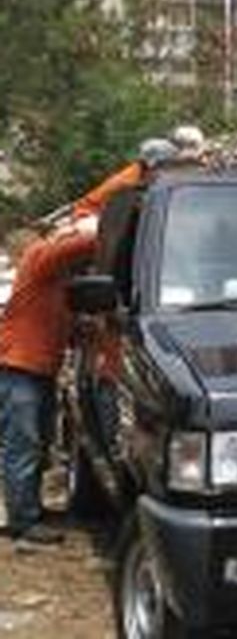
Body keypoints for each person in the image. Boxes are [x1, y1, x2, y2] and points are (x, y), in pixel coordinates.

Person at [0, 224, 97, 550]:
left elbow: (64, 328)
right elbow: (73, 247)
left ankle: (29, 511)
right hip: (19, 369)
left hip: (37, 371)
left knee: (37, 444)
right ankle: (23, 523)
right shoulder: (38, 257)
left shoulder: (56, 285)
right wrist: (112, 231)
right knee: (23, 445)